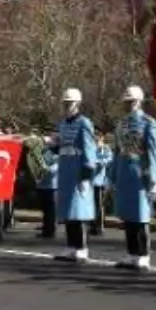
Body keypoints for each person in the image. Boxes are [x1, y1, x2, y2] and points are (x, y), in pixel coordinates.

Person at [111, 86, 156, 270]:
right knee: (127, 216)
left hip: (140, 171)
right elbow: (116, 151)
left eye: (132, 101)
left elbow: (153, 152)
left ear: (139, 101)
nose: (128, 104)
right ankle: (131, 253)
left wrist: (153, 178)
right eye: (127, 101)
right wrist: (112, 175)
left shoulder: (148, 122)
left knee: (141, 215)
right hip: (124, 170)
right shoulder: (121, 123)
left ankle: (143, 254)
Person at [49, 87, 99, 262]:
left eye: (70, 103)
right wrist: (52, 144)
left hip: (78, 169)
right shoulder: (62, 124)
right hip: (65, 170)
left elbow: (89, 149)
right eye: (65, 103)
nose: (67, 105)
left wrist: (87, 173)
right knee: (68, 211)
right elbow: (59, 148)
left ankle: (81, 247)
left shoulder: (84, 123)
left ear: (77, 104)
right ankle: (71, 246)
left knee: (78, 211)